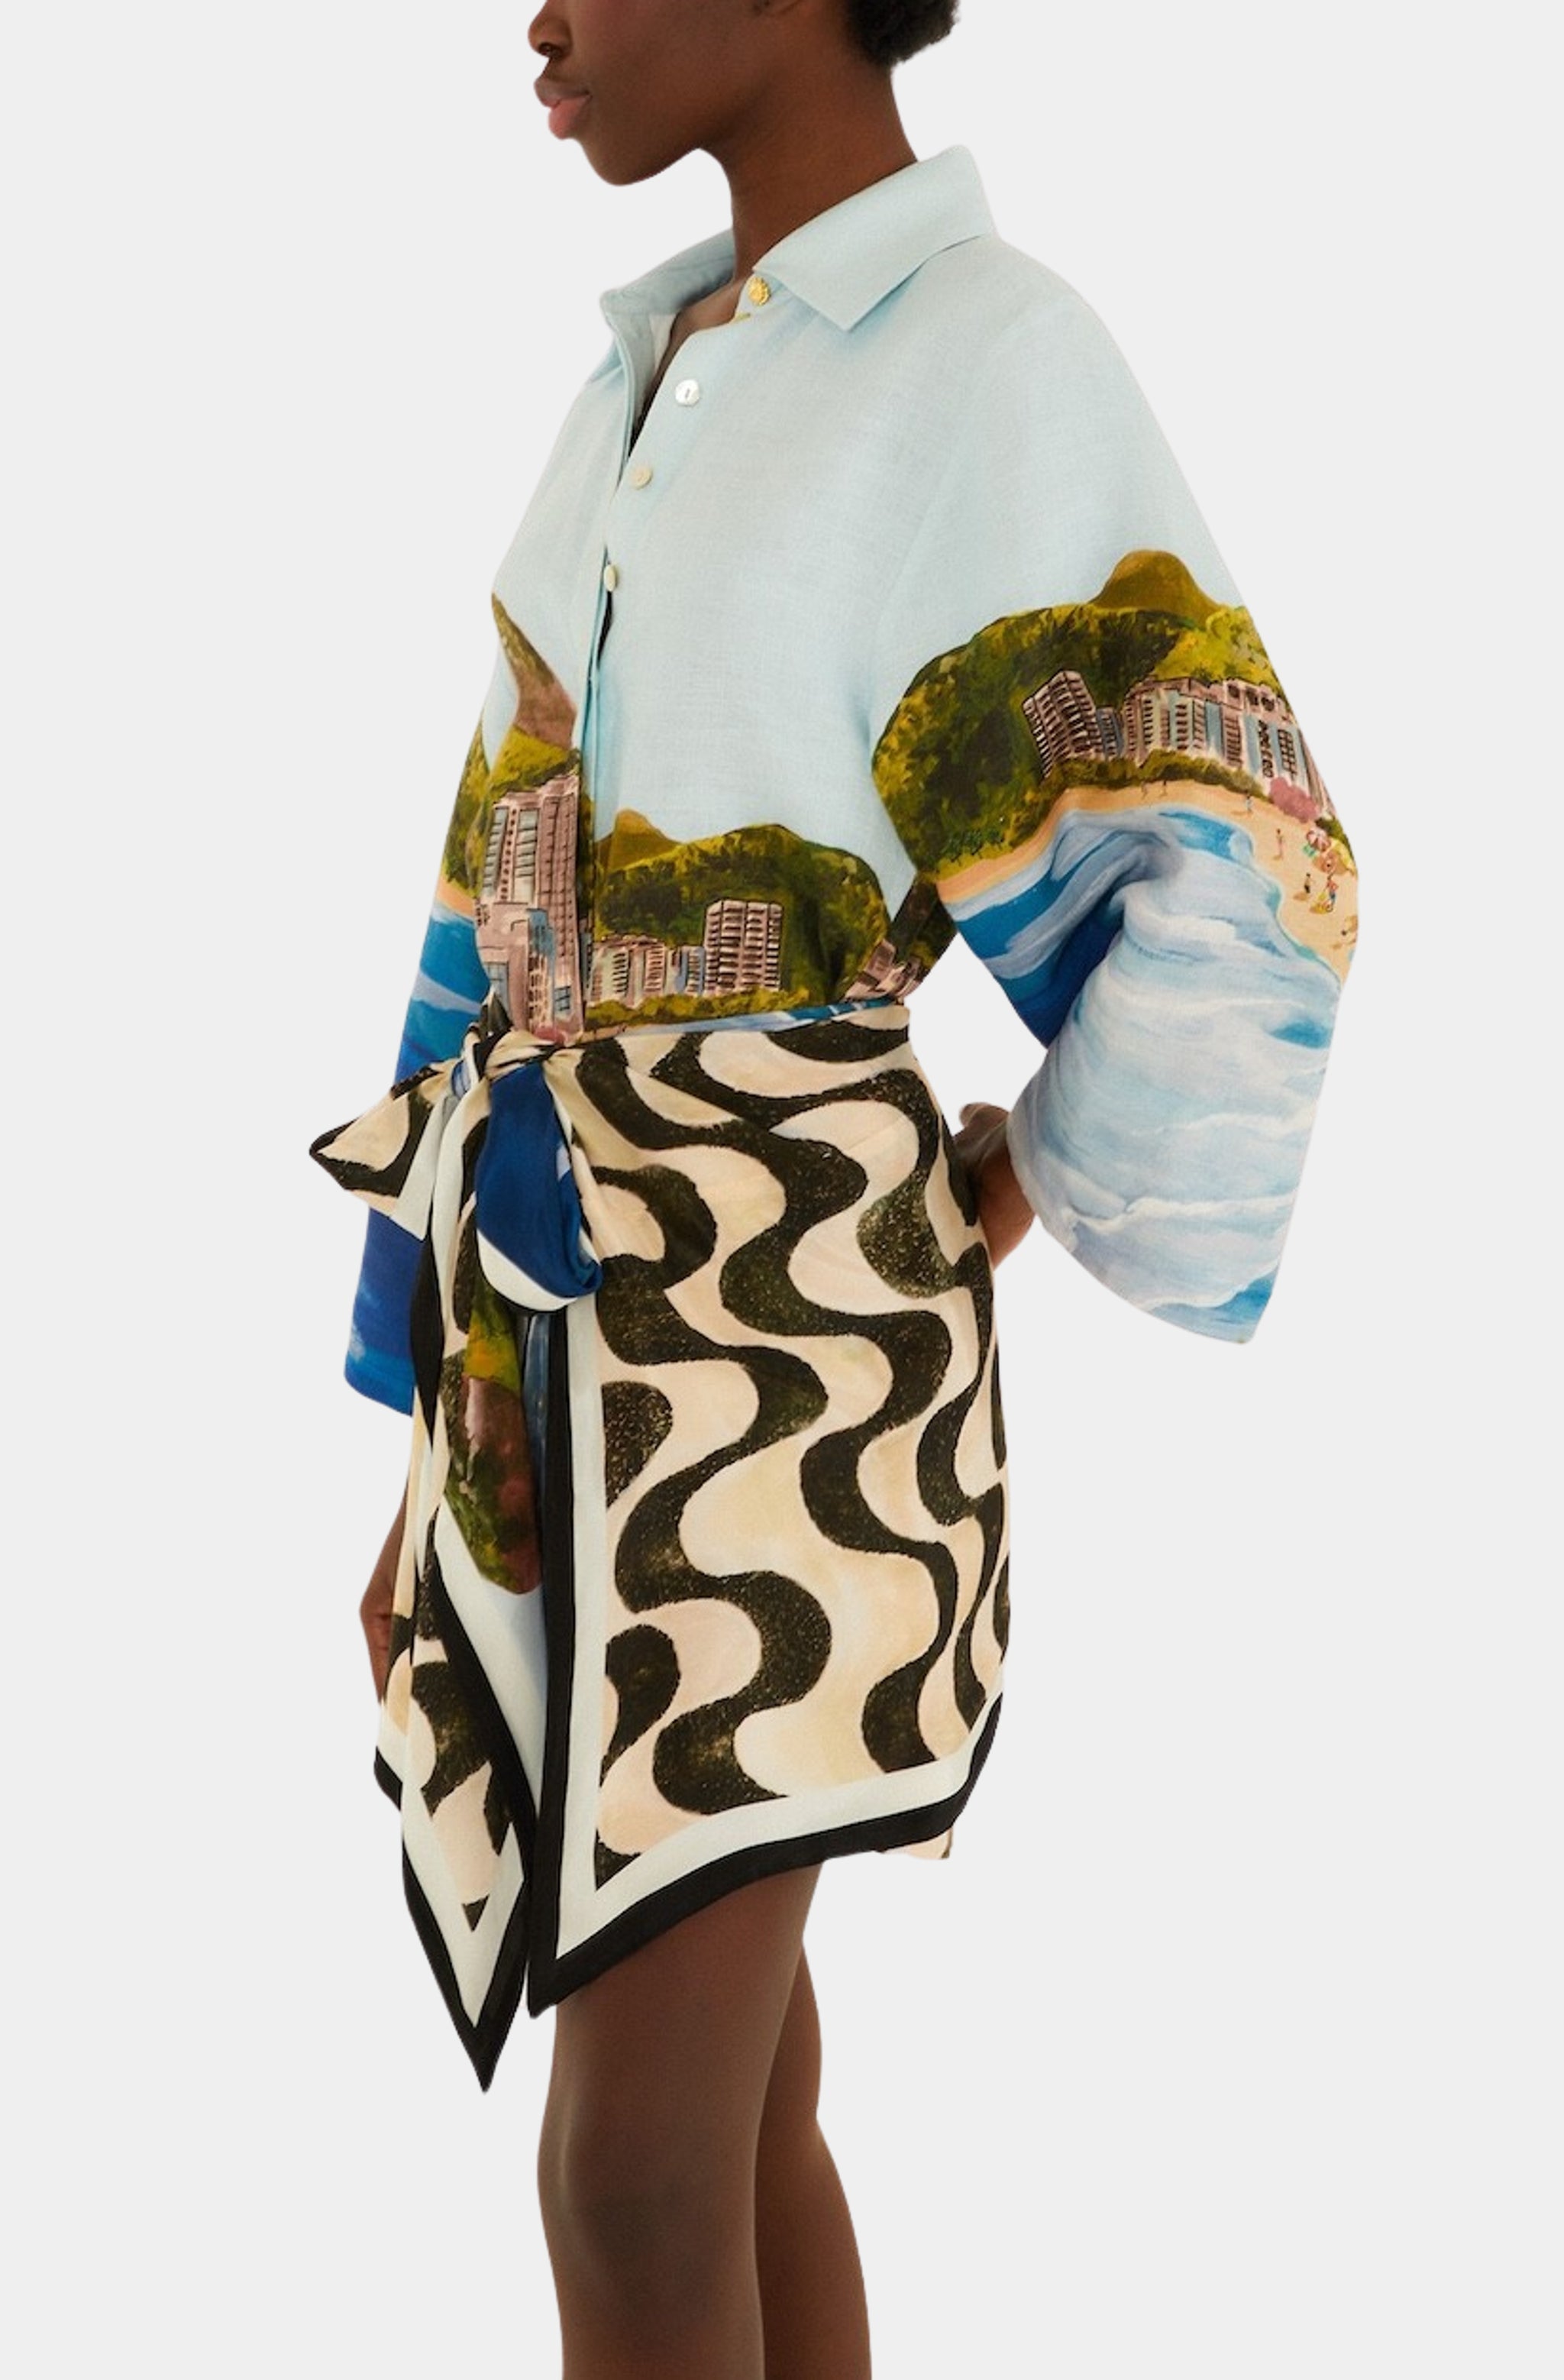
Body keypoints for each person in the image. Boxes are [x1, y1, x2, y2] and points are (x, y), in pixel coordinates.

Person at [309, 2, 1358, 2370]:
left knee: (633, 2174)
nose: (540, 15)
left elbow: (1244, 861)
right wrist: (434, 1459)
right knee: (747, 2102)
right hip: (561, 1357)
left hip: (791, 1401)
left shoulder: (987, 355)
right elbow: (488, 916)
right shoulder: (642, 379)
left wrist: (1038, 1169)